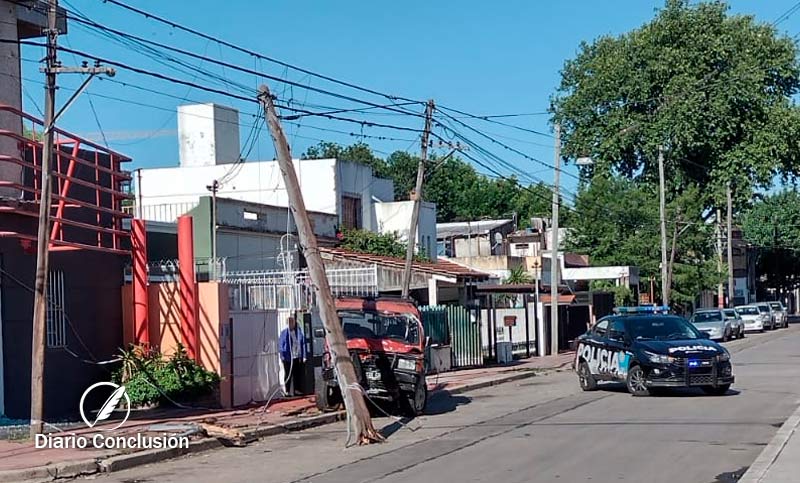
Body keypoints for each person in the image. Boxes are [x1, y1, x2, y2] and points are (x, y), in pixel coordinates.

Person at [279, 316, 307, 396]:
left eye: (293, 323)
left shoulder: (298, 332)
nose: (292, 325)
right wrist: (282, 355)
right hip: (288, 357)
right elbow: (281, 344)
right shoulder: (284, 333)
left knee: (297, 374)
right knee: (288, 373)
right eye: (290, 323)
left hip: (296, 356)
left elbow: (302, 343)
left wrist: (304, 355)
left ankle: (297, 390)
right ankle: (287, 391)